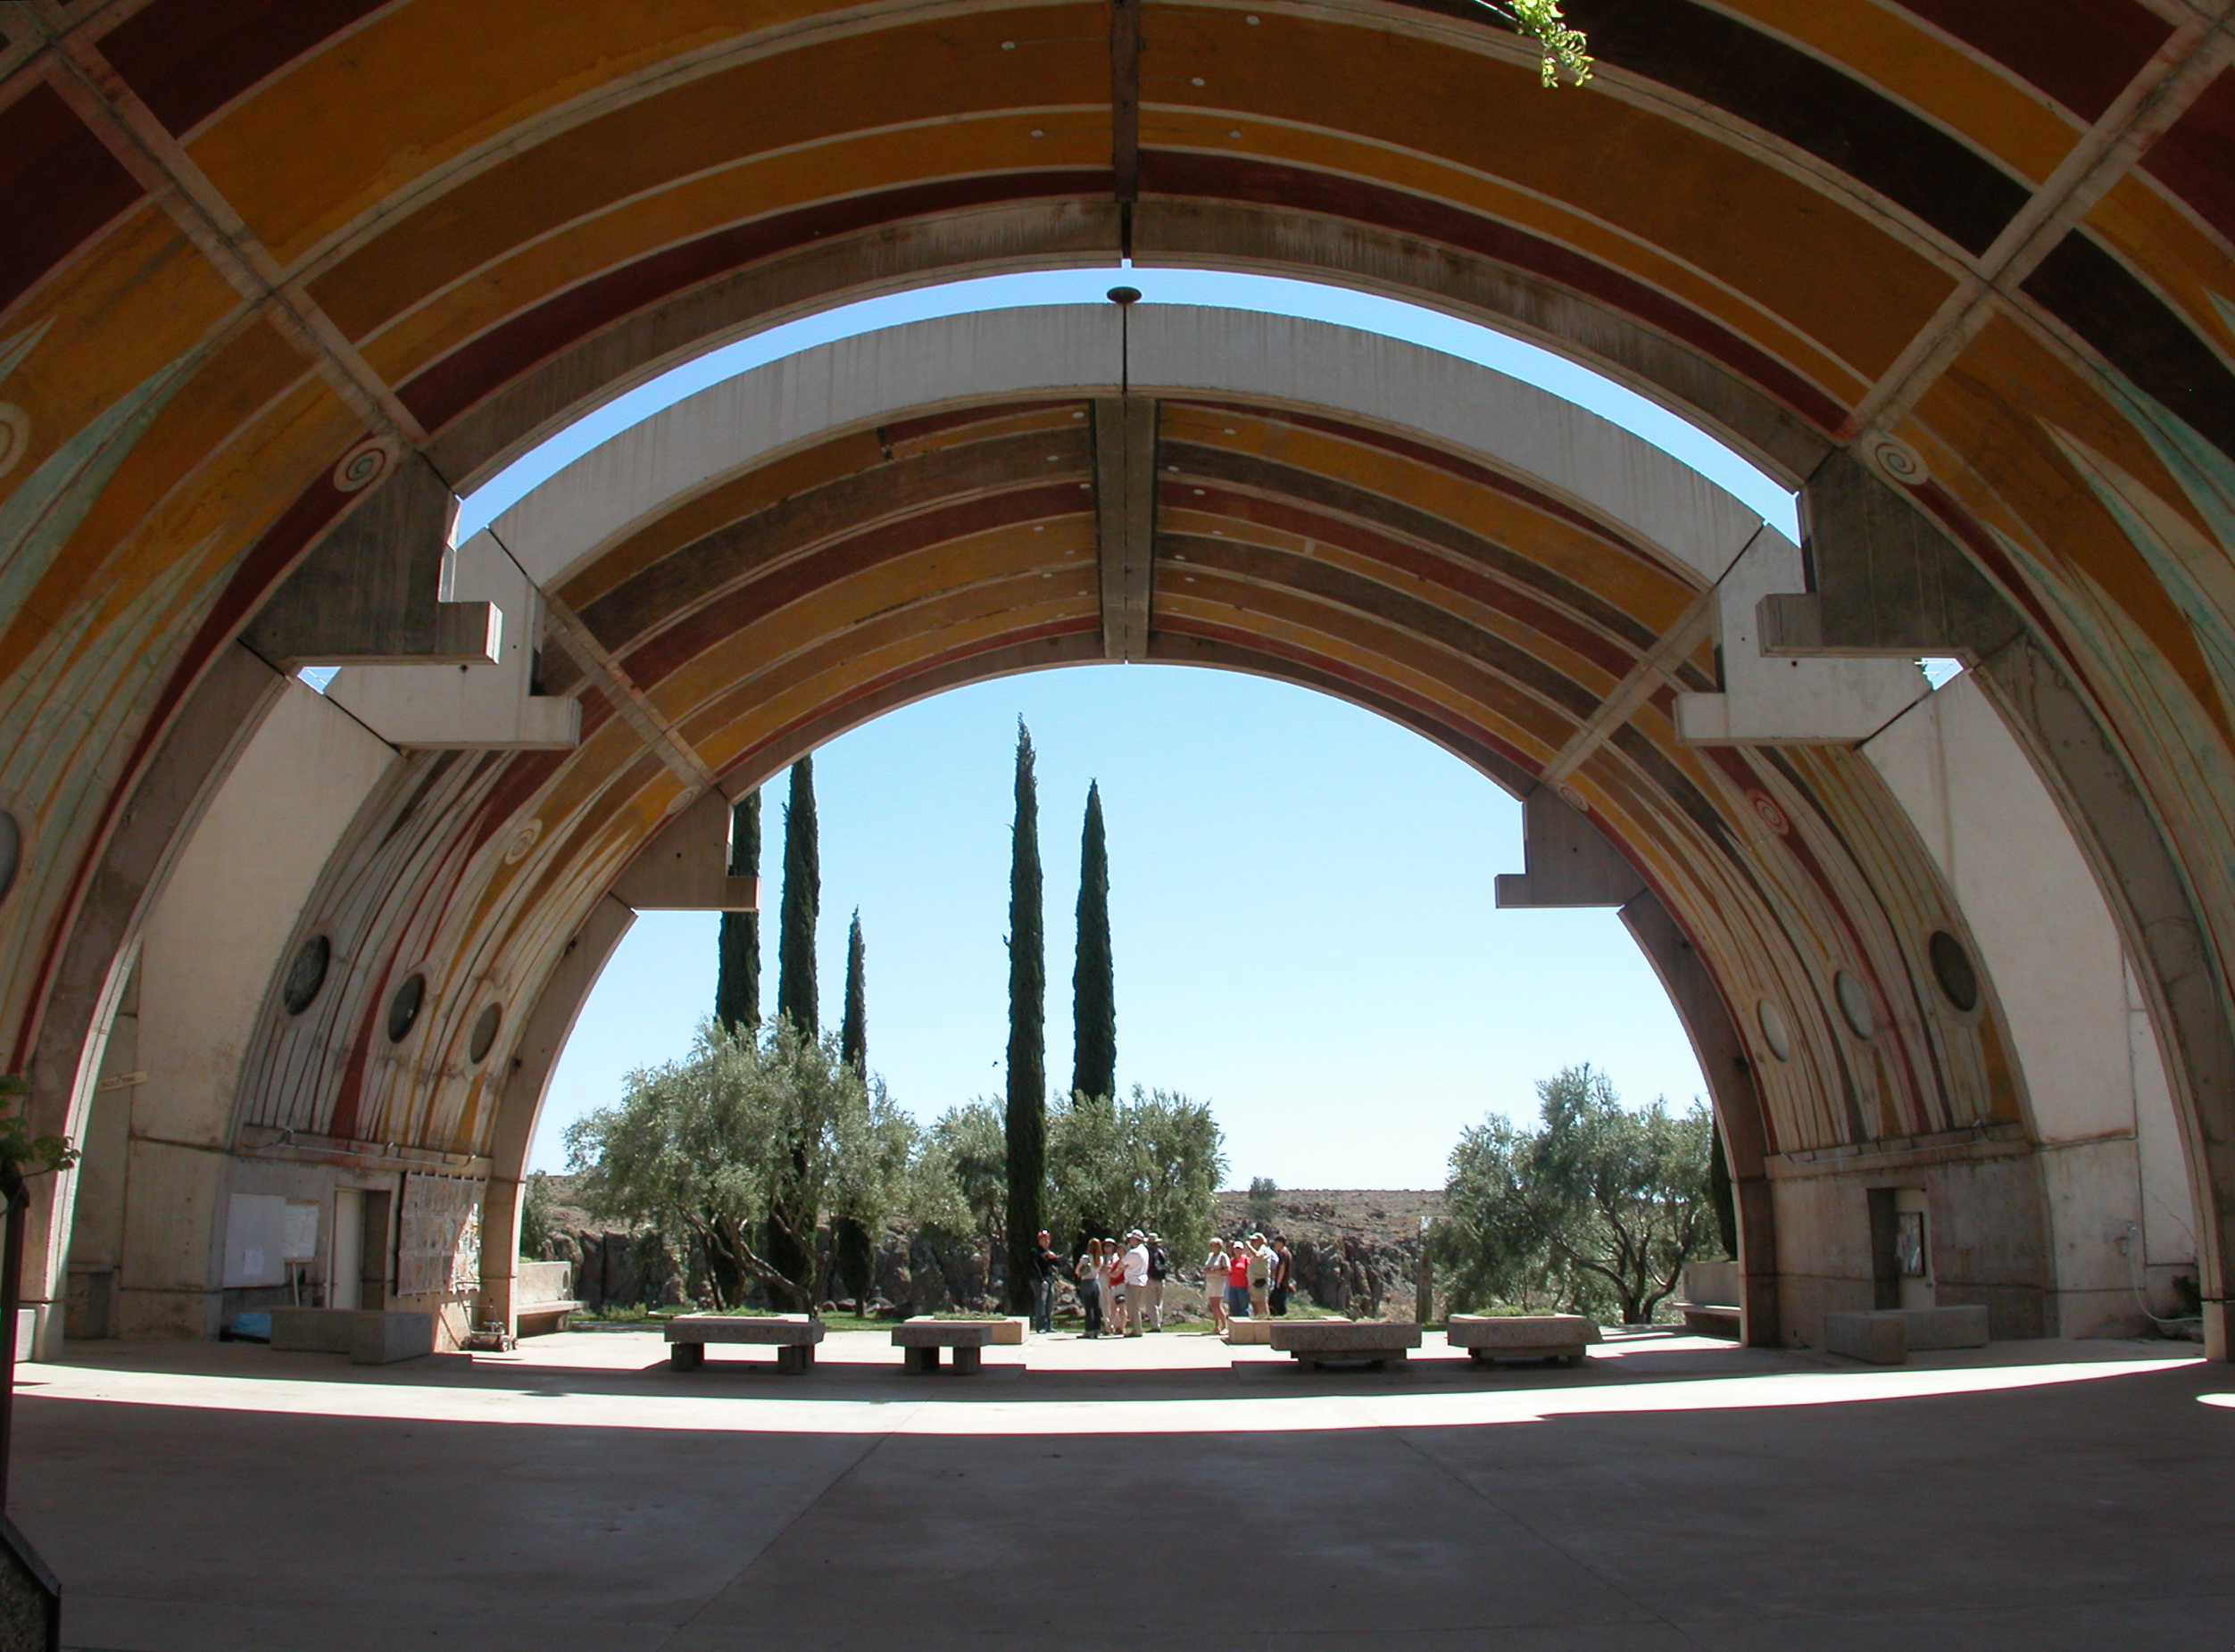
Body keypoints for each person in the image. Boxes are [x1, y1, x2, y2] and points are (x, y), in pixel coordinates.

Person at [1031, 1229, 1062, 1333]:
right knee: (1041, 1302)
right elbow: (1035, 1267)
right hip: (1039, 1280)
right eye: (1043, 1239)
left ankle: (1049, 1325)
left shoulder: (1048, 1253)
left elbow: (1058, 1264)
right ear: (1039, 1240)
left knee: (1050, 1301)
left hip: (1049, 1280)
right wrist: (1041, 1280)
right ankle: (1041, 1326)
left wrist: (1055, 1258)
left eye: (1047, 1239)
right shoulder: (1035, 1252)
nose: (1046, 1242)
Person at [1121, 1230, 1151, 1337]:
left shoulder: (1134, 1252)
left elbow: (1122, 1263)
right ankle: (1137, 1328)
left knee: (1132, 1307)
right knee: (1136, 1306)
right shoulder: (1144, 1250)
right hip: (1142, 1280)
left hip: (1132, 1281)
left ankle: (1137, 1330)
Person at [1076, 1239, 1104, 1338]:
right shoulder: (1100, 1259)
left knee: (1089, 1308)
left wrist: (1080, 1272)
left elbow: (1077, 1270)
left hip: (1086, 1282)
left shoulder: (1086, 1258)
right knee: (1096, 1307)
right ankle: (1097, 1329)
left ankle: (1089, 1330)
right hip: (1096, 1282)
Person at [1203, 1237, 1233, 1332]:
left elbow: (1228, 1270)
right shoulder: (1210, 1256)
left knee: (1217, 1304)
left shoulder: (1223, 1256)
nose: (1212, 1247)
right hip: (1210, 1282)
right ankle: (1216, 1326)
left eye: (1215, 1245)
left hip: (1218, 1282)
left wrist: (1216, 1271)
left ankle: (1225, 1325)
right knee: (1213, 1305)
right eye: (1211, 1245)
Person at [1142, 1233, 1168, 1331]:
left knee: (1151, 1303)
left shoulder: (1148, 1253)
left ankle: (1155, 1325)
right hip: (1161, 1279)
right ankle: (1159, 1322)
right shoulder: (1161, 1252)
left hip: (1151, 1278)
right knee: (1159, 1302)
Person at [1245, 1232, 1272, 1319]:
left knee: (1261, 1303)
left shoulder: (1263, 1248)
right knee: (1255, 1303)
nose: (1252, 1242)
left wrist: (1249, 1246)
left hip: (1260, 1280)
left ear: (1260, 1241)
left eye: (1254, 1240)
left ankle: (1266, 1321)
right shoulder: (1256, 1250)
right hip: (1254, 1280)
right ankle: (1258, 1321)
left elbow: (1258, 1256)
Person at [1226, 1237, 1253, 1322]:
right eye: (1236, 1249)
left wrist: (1249, 1286)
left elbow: (1250, 1273)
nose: (1237, 1251)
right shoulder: (1231, 1260)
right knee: (1233, 1307)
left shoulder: (1246, 1260)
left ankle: (1245, 1326)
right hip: (1233, 1286)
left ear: (1242, 1250)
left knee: (1243, 1308)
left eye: (1239, 1249)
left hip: (1243, 1286)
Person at [1103, 1236, 1126, 1336]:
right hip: (1114, 1286)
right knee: (1113, 1307)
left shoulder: (1124, 1262)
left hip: (1121, 1286)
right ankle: (1110, 1327)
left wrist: (1110, 1274)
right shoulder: (1117, 1261)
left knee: (1121, 1308)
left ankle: (1121, 1327)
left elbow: (1116, 1273)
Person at [1269, 1234, 1294, 1317]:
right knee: (1281, 1302)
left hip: (1281, 1282)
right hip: (1284, 1282)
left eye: (1276, 1242)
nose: (1274, 1244)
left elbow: (1282, 1267)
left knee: (1276, 1303)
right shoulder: (1288, 1253)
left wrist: (1278, 1282)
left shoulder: (1283, 1253)